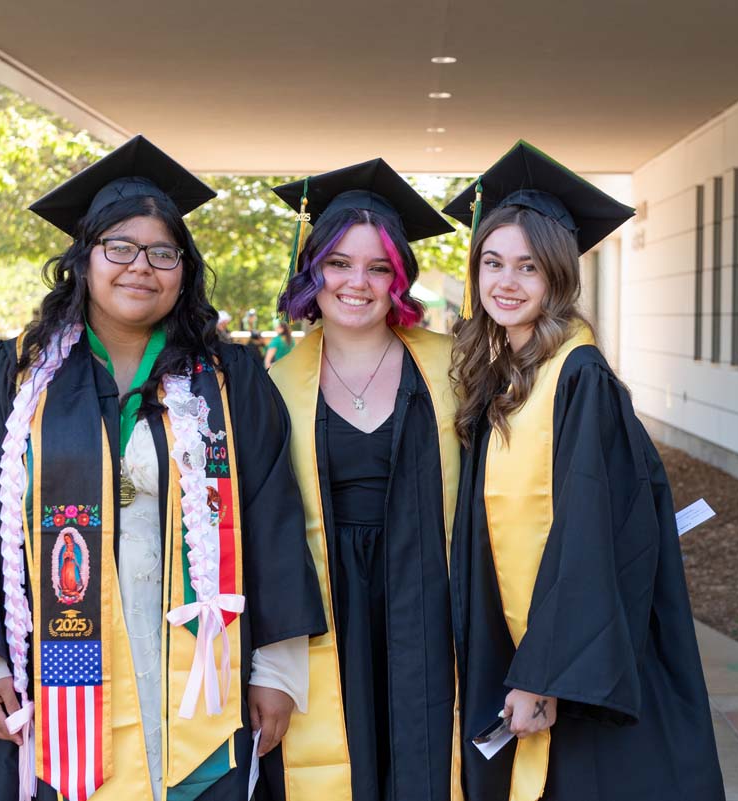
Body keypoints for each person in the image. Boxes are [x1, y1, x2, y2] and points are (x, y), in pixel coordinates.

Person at [0, 135, 326, 801]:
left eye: (162, 252)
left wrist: (274, 666)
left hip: (198, 670)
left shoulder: (229, 380)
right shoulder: (16, 380)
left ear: (184, 269)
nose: (140, 267)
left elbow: (270, 519)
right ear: (84, 260)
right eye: (119, 248)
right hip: (60, 667)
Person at [444, 141, 725, 801]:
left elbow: (590, 536)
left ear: (558, 277)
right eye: (492, 263)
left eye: (528, 267)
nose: (506, 282)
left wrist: (544, 674)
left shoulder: (579, 376)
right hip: (524, 646)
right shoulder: (511, 375)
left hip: (569, 668)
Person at [267, 159, 462, 801]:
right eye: (339, 263)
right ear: (313, 269)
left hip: (429, 594)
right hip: (325, 601)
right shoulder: (272, 384)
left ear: (399, 280)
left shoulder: (455, 370)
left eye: (379, 267)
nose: (358, 282)